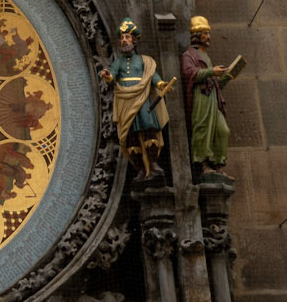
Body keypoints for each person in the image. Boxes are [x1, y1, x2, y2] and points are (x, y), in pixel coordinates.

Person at [99, 18, 172, 179]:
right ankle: (139, 168)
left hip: (142, 97)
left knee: (149, 130)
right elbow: (112, 76)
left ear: (134, 40)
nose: (124, 41)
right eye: (122, 38)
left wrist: (160, 84)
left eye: (127, 37)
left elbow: (151, 75)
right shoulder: (118, 62)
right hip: (126, 99)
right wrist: (107, 76)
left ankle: (152, 164)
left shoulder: (143, 61)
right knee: (130, 135)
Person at [181, 14, 231, 175]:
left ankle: (219, 165)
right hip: (201, 97)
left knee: (222, 130)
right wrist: (211, 71)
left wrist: (226, 77)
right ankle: (203, 164)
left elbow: (213, 82)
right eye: (205, 33)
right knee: (202, 129)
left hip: (212, 97)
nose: (208, 37)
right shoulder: (189, 55)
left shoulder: (206, 57)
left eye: (208, 33)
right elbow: (189, 73)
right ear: (197, 36)